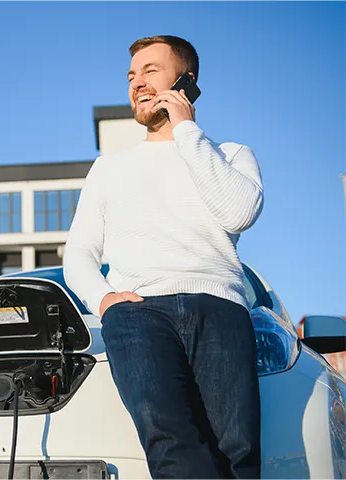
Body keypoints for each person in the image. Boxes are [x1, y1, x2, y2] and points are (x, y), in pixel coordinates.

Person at [63, 35, 264, 479]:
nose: (137, 83)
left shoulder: (230, 155)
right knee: (170, 441)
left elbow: (238, 213)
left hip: (221, 308)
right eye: (132, 76)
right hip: (138, 312)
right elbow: (78, 251)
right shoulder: (108, 168)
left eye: (150, 70)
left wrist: (187, 129)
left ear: (187, 81)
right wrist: (104, 299)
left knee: (238, 452)